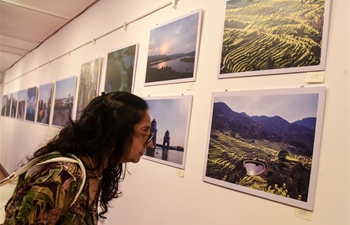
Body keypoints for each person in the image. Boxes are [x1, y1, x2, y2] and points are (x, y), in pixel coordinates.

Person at [4, 91, 154, 225]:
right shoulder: (62, 176)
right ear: (116, 132)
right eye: (144, 133)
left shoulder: (96, 171)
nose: (150, 143)